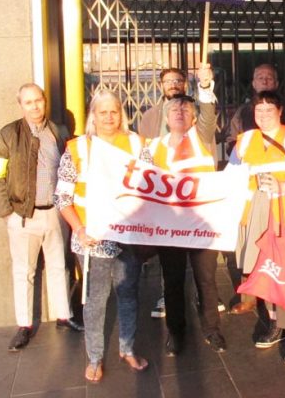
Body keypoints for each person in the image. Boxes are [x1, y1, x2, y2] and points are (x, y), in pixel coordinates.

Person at [55, 89, 149, 383]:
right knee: (95, 301)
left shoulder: (136, 143)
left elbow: (152, 186)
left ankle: (127, 348)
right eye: (103, 112)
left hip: (128, 237)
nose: (109, 117)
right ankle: (95, 357)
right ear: (93, 116)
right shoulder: (78, 148)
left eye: (114, 111)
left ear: (122, 113)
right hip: (91, 239)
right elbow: (63, 197)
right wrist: (80, 230)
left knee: (128, 294)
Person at [0, 83, 83, 352]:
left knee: (58, 266)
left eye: (38, 100)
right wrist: (6, 213)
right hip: (22, 215)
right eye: (28, 102)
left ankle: (64, 316)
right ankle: (24, 325)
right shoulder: (7, 135)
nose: (35, 106)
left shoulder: (58, 131)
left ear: (44, 101)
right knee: (24, 271)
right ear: (21, 105)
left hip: (55, 213)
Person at [229, 90, 285, 366]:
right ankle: (275, 324)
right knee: (265, 273)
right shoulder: (243, 142)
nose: (264, 115)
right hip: (256, 215)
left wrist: (284, 187)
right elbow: (230, 177)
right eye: (259, 111)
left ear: (280, 112)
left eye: (269, 110)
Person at [147, 65, 227, 355]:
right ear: (166, 118)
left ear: (193, 117)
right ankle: (176, 333)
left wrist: (205, 85)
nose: (179, 113)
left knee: (206, 280)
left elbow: (207, 108)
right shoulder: (154, 147)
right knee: (174, 281)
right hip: (170, 227)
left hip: (202, 223)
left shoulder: (203, 136)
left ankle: (212, 329)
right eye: (174, 111)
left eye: (185, 110)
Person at [225, 63, 285, 315]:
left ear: (276, 83)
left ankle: (282, 307)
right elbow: (233, 145)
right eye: (259, 77)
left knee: (282, 257)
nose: (264, 80)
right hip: (252, 196)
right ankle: (250, 296)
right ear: (252, 83)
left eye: (269, 77)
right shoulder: (242, 112)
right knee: (252, 247)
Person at [139, 68, 188, 319]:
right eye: (168, 82)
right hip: (163, 192)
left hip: (193, 190)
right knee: (166, 247)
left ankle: (203, 294)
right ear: (160, 86)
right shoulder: (149, 117)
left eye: (177, 81)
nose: (173, 85)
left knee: (198, 244)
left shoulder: (195, 111)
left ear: (185, 84)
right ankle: (164, 294)